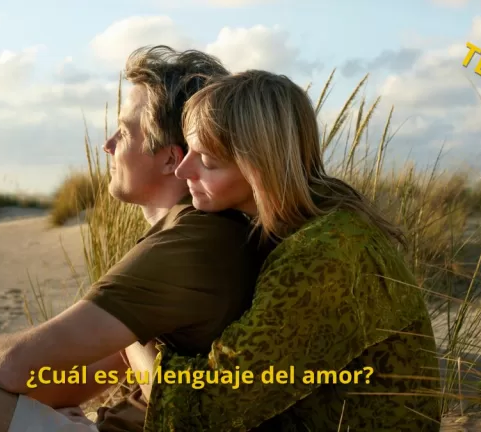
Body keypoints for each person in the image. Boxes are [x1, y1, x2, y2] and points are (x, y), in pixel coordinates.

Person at [0, 46, 274, 432]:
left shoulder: (192, 243)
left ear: (169, 159)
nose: (108, 145)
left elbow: (15, 366)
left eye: (124, 132)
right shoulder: (190, 235)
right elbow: (82, 374)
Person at [125, 70, 443, 431]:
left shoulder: (322, 256)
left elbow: (207, 407)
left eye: (208, 160)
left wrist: (131, 328)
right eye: (189, 150)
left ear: (261, 167)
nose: (183, 170)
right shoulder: (314, 223)